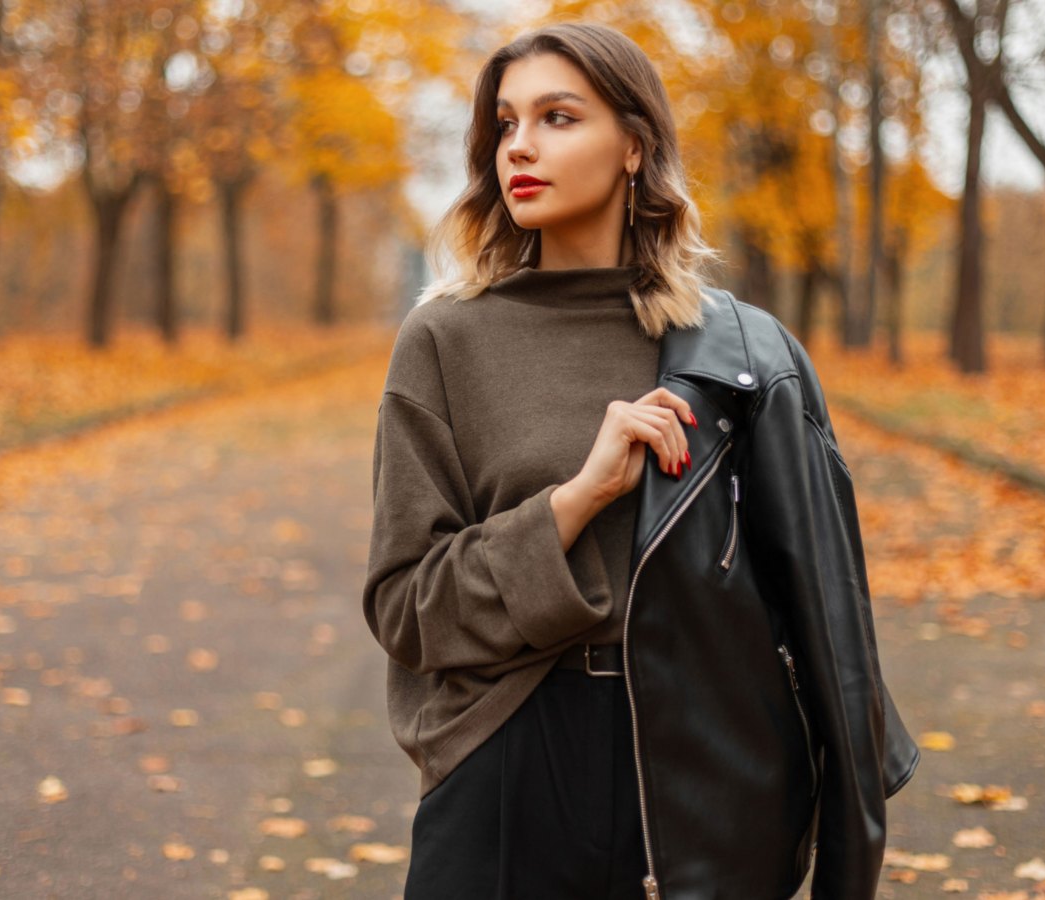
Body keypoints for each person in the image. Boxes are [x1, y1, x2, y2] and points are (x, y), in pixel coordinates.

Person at [361, 21, 919, 900]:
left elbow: (825, 619)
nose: (522, 147)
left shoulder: (740, 352)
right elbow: (405, 607)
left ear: (634, 145)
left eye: (557, 117)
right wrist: (574, 502)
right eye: (505, 124)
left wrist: (844, 847)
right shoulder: (445, 339)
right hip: (504, 757)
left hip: (702, 768)